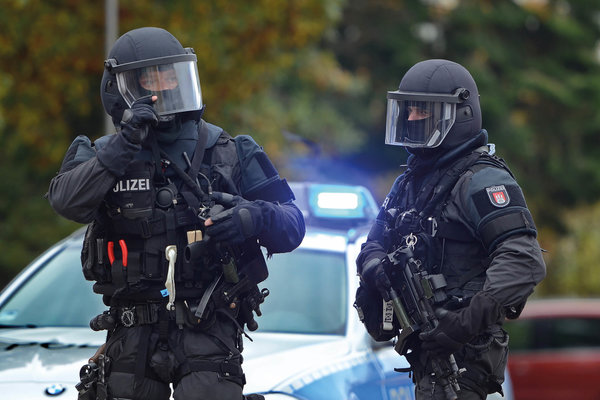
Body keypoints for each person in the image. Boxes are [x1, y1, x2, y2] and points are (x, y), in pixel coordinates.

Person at [47, 27, 305, 400]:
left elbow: (293, 224)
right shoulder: (101, 154)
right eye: (152, 79)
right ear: (122, 88)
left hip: (209, 326)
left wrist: (252, 218)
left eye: (172, 76)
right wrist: (125, 144)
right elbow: (66, 202)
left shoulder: (229, 150)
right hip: (131, 330)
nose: (165, 87)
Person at [356, 59, 546, 399]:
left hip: (464, 362)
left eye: (423, 111)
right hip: (425, 356)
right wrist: (377, 269)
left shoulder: (482, 180)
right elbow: (371, 244)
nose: (412, 118)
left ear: (460, 114)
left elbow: (524, 261)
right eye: (409, 109)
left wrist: (463, 322)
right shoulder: (409, 182)